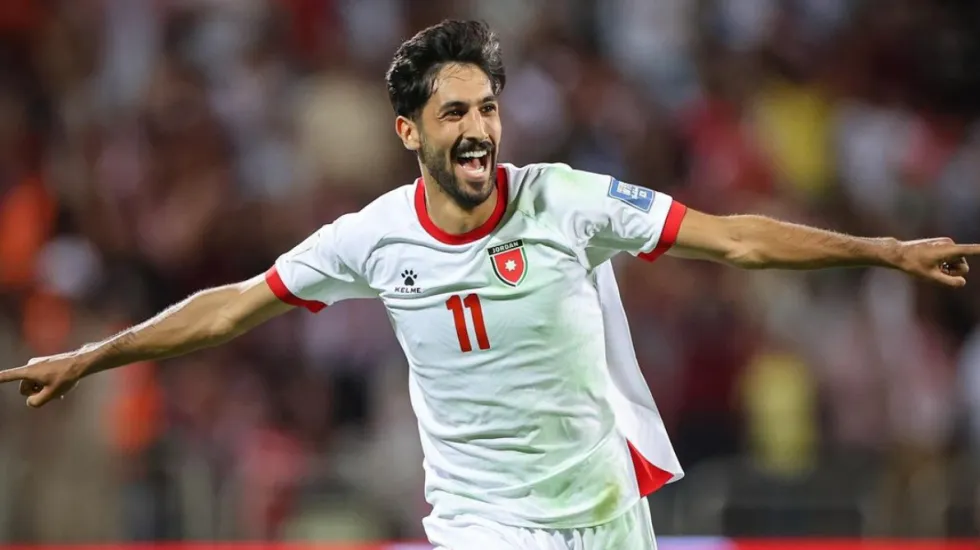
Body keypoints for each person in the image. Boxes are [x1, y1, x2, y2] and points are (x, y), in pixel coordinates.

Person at [2, 19, 978, 550]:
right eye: (453, 112)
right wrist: (101, 353)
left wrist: (881, 248)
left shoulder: (567, 199)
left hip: (602, 509)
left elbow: (732, 240)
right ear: (408, 133)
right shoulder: (371, 237)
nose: (476, 130)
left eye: (486, 108)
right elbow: (235, 303)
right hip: (482, 523)